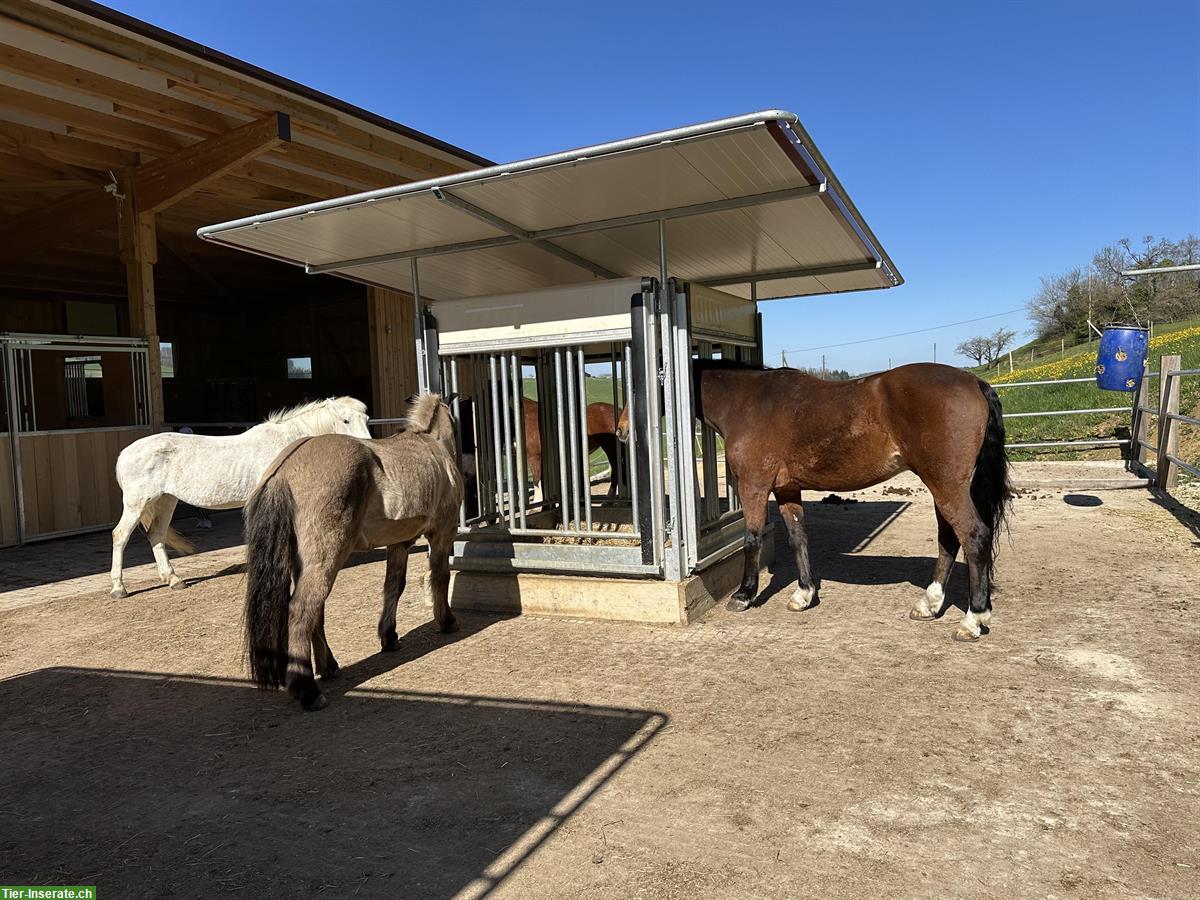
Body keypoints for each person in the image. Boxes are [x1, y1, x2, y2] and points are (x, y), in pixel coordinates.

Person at [177, 427, 214, 528]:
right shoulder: (182, 449)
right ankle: (200, 519)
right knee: (191, 502)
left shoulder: (198, 447)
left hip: (198, 477)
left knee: (200, 501)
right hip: (189, 477)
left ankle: (206, 519)